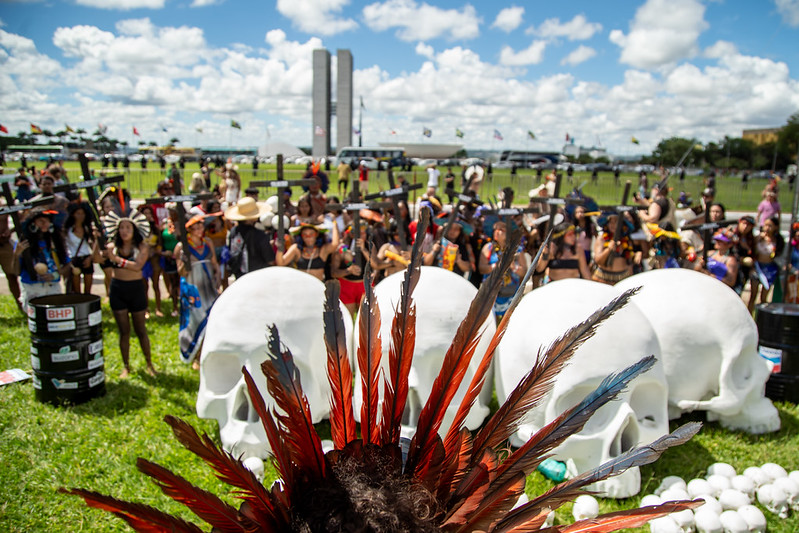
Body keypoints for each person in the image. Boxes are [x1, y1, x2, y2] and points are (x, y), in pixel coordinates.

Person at [100, 211, 156, 378]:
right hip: (118, 288)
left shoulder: (142, 247)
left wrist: (117, 259)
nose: (124, 230)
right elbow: (97, 259)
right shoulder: (112, 247)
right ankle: (126, 366)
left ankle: (149, 363)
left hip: (136, 289)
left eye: (128, 227)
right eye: (121, 227)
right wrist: (97, 243)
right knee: (124, 331)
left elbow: (137, 266)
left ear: (134, 229)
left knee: (141, 329)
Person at [175, 215, 221, 367]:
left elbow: (214, 262)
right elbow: (180, 272)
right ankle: (195, 355)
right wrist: (184, 260)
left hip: (208, 285)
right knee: (195, 320)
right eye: (197, 227)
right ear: (190, 229)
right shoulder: (182, 247)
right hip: (192, 287)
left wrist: (218, 276)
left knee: (210, 319)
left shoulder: (207, 242)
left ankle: (206, 351)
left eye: (202, 227)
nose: (201, 230)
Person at [478, 220, 528, 321]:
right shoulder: (488, 248)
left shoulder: (517, 249)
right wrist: (495, 267)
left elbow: (524, 271)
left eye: (501, 229)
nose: (497, 231)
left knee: (509, 322)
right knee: (490, 322)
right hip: (491, 292)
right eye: (495, 229)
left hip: (510, 292)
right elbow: (481, 269)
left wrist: (513, 267)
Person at [225, 197, 275, 278]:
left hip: (239, 277)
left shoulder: (233, 232)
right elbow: (270, 260)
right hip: (258, 277)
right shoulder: (260, 235)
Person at [137, 205, 165, 317]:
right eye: (145, 213)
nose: (147, 216)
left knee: (156, 285)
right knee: (144, 287)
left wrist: (156, 250)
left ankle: (158, 308)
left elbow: (160, 244)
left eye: (149, 213)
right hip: (143, 261)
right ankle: (146, 309)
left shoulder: (155, 229)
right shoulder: (138, 231)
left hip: (154, 260)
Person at [751, 216, 785, 306]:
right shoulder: (759, 238)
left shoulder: (778, 241)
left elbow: (779, 255)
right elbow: (751, 250)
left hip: (770, 268)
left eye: (770, 225)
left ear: (776, 227)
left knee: (764, 297)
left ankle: (761, 318)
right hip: (757, 267)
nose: (767, 228)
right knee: (753, 296)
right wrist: (758, 239)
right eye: (765, 225)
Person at [592, 212, 634, 285]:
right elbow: (598, 260)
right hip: (603, 279)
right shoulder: (602, 239)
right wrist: (608, 249)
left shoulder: (627, 240)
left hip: (622, 279)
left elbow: (629, 264)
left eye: (615, 222)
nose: (612, 225)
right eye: (610, 222)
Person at [63, 203, 95, 294]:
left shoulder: (87, 228)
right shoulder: (68, 230)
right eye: (78, 213)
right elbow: (64, 246)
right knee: (76, 290)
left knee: (88, 290)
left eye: (82, 214)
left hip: (86, 257)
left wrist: (90, 258)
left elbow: (93, 246)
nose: (81, 216)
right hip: (74, 259)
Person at [0, 200, 23, 310]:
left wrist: (11, 230)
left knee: (12, 274)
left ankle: (20, 305)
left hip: (4, 244)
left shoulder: (5, 206)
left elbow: (21, 217)